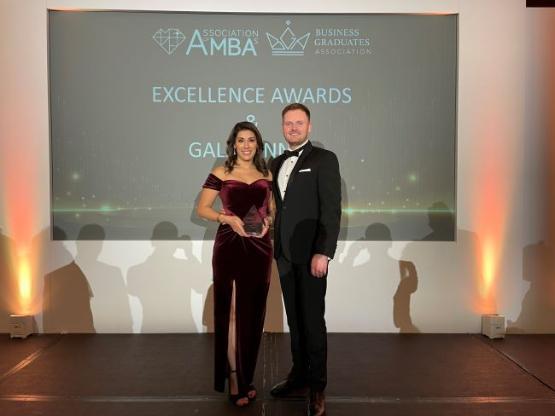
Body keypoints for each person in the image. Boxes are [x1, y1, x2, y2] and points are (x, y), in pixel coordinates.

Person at [270, 103, 341, 416]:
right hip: (284, 256)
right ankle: (298, 377)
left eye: (299, 123)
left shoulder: (324, 159)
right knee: (295, 323)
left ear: (309, 127)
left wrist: (323, 252)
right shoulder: (275, 163)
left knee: (313, 323)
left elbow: (331, 209)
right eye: (288, 123)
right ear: (283, 127)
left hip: (312, 256)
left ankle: (317, 388)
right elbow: (275, 209)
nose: (293, 128)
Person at [196, 121, 273, 407]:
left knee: (252, 313)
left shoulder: (267, 173)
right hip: (229, 244)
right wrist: (226, 218)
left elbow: (273, 209)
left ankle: (246, 373)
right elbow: (202, 208)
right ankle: (233, 376)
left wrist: (268, 222)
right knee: (230, 312)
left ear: (258, 144)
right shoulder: (221, 172)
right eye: (241, 140)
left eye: (251, 140)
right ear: (233, 144)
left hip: (260, 246)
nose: (246, 145)